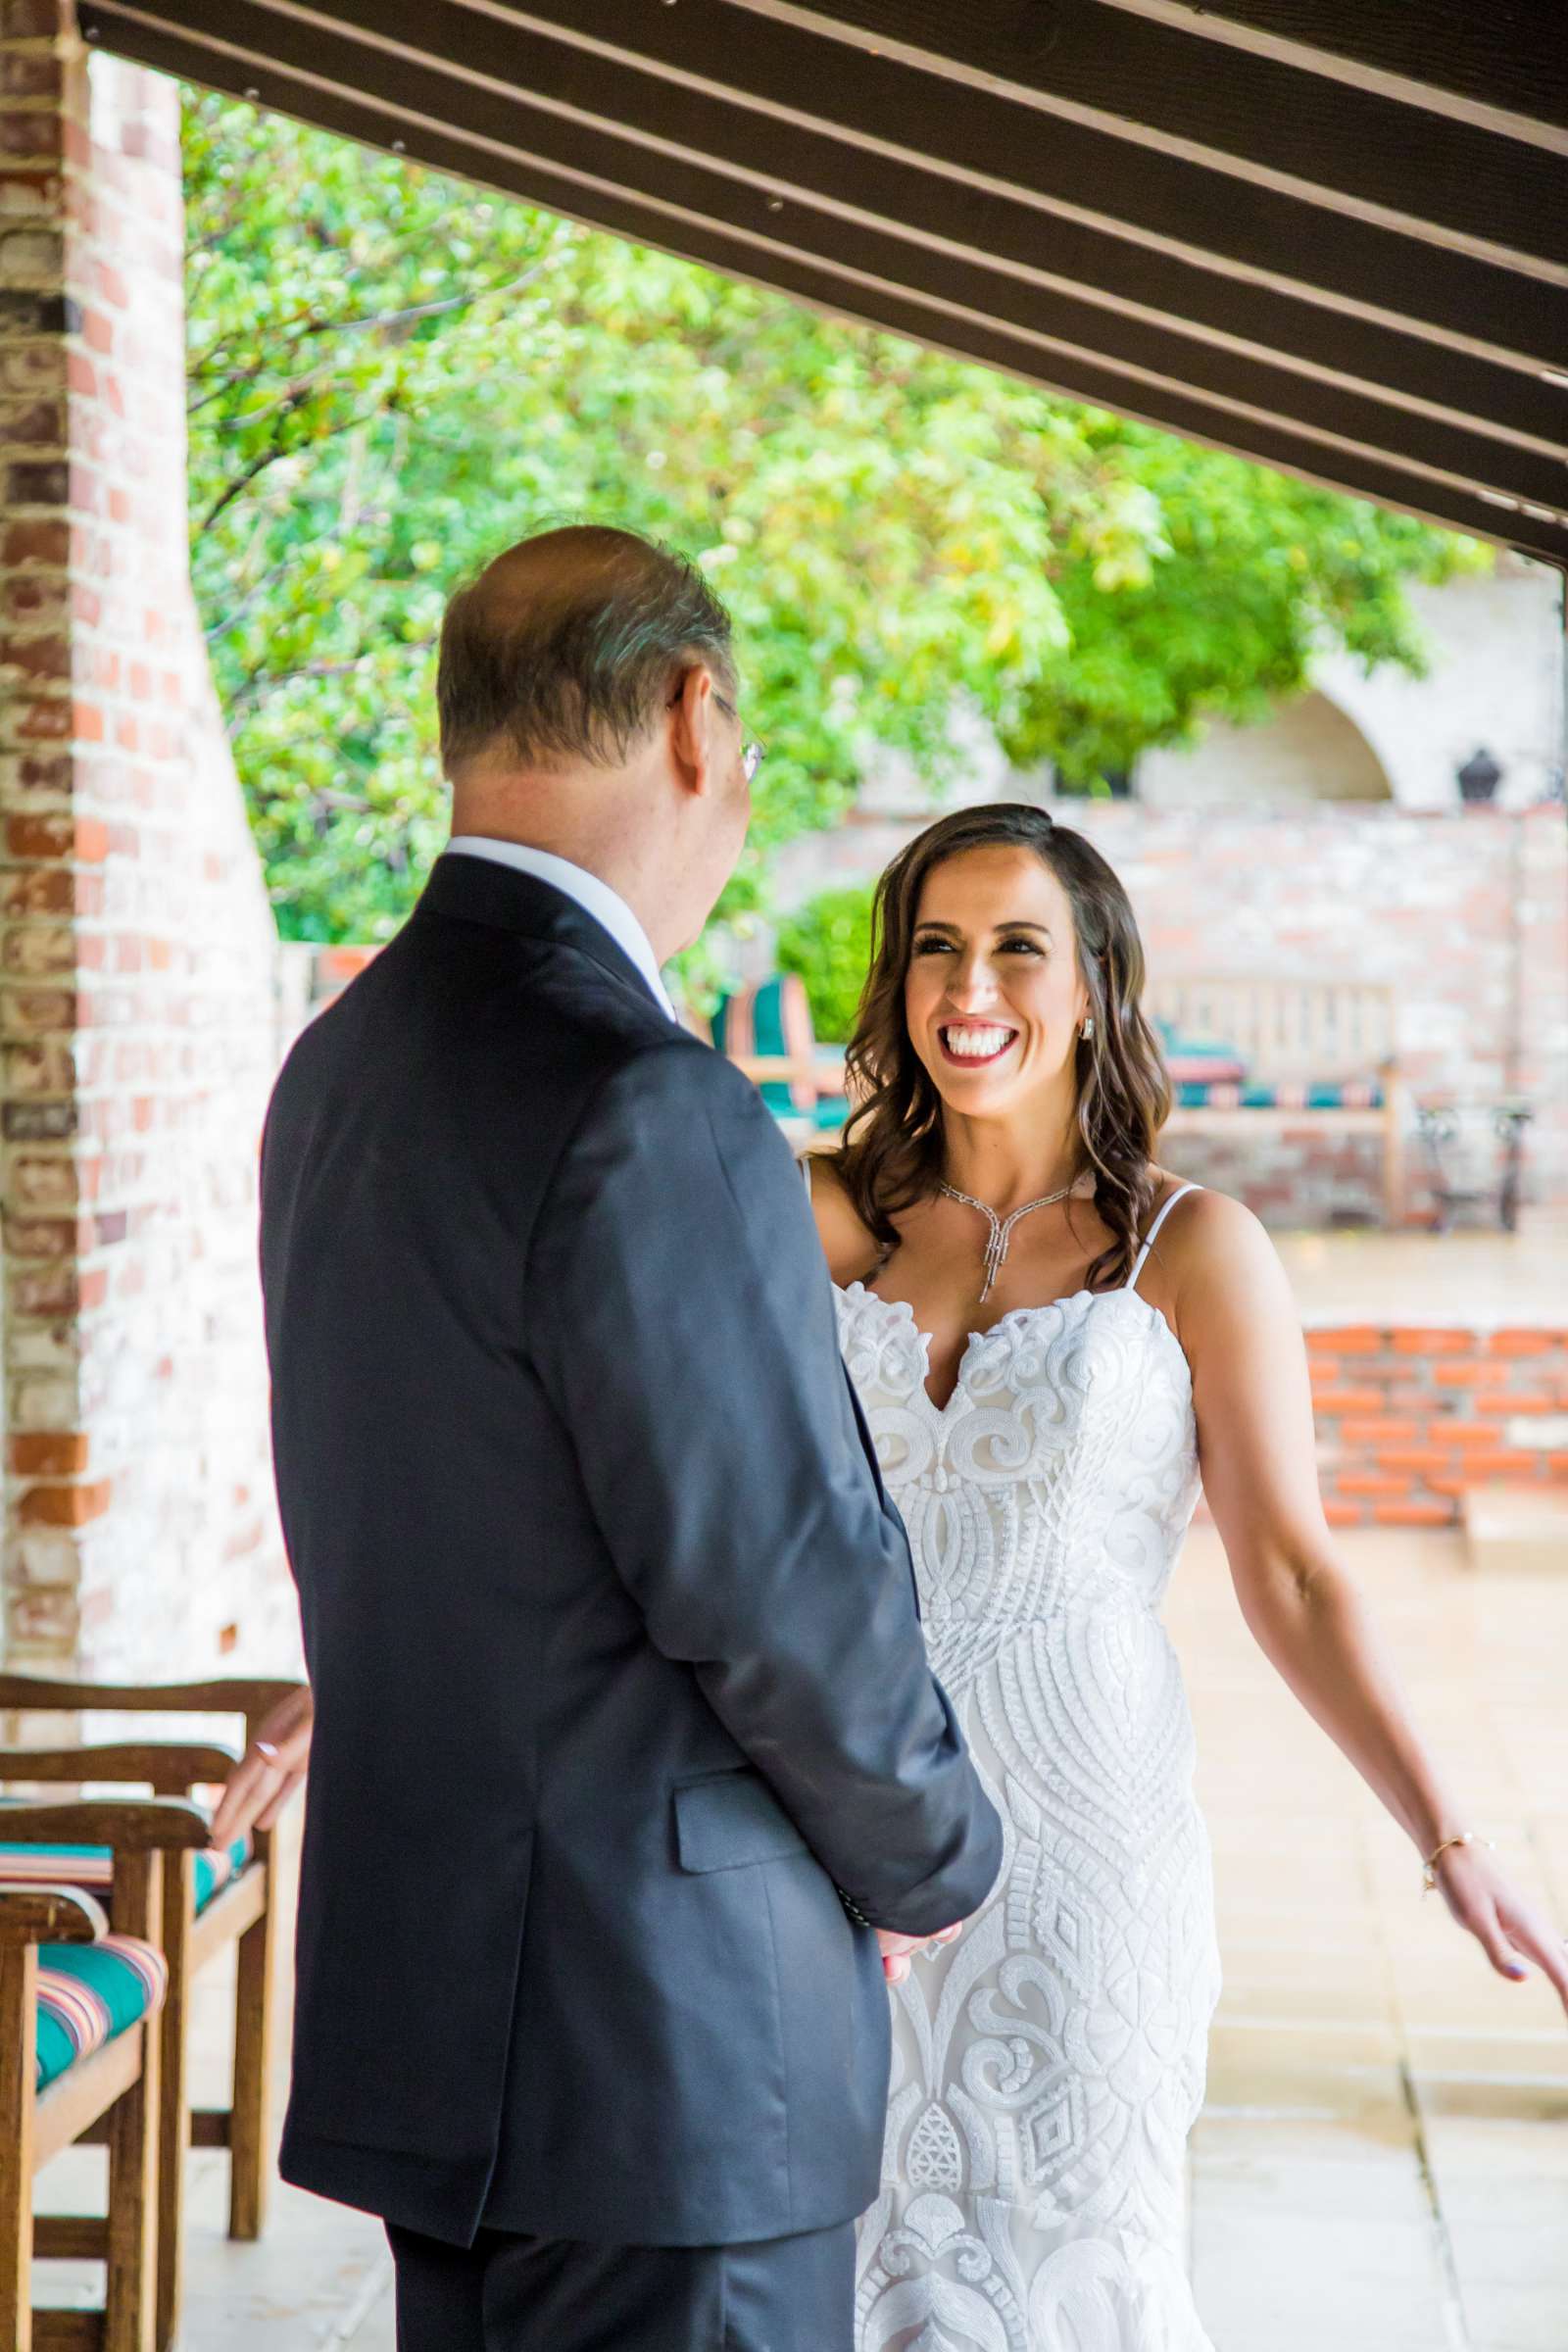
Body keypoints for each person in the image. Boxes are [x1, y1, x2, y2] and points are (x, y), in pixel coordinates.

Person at [243, 525, 1003, 2352]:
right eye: (742, 750)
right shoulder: (647, 1101)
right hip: (666, 2064)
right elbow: (773, 1579)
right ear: (688, 717)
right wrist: (930, 1854)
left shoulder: (337, 1069)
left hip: (447, 2039)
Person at [801, 801, 1568, 2351]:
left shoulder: (1190, 1246)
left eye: (1020, 949)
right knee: (839, 2269)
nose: (972, 992)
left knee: (1080, 2275)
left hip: (1085, 1851)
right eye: (936, 949)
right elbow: (645, 1478)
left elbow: (1290, 1576)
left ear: (1093, 984)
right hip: (846, 1840)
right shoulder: (819, 1222)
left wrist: (1450, 1835)